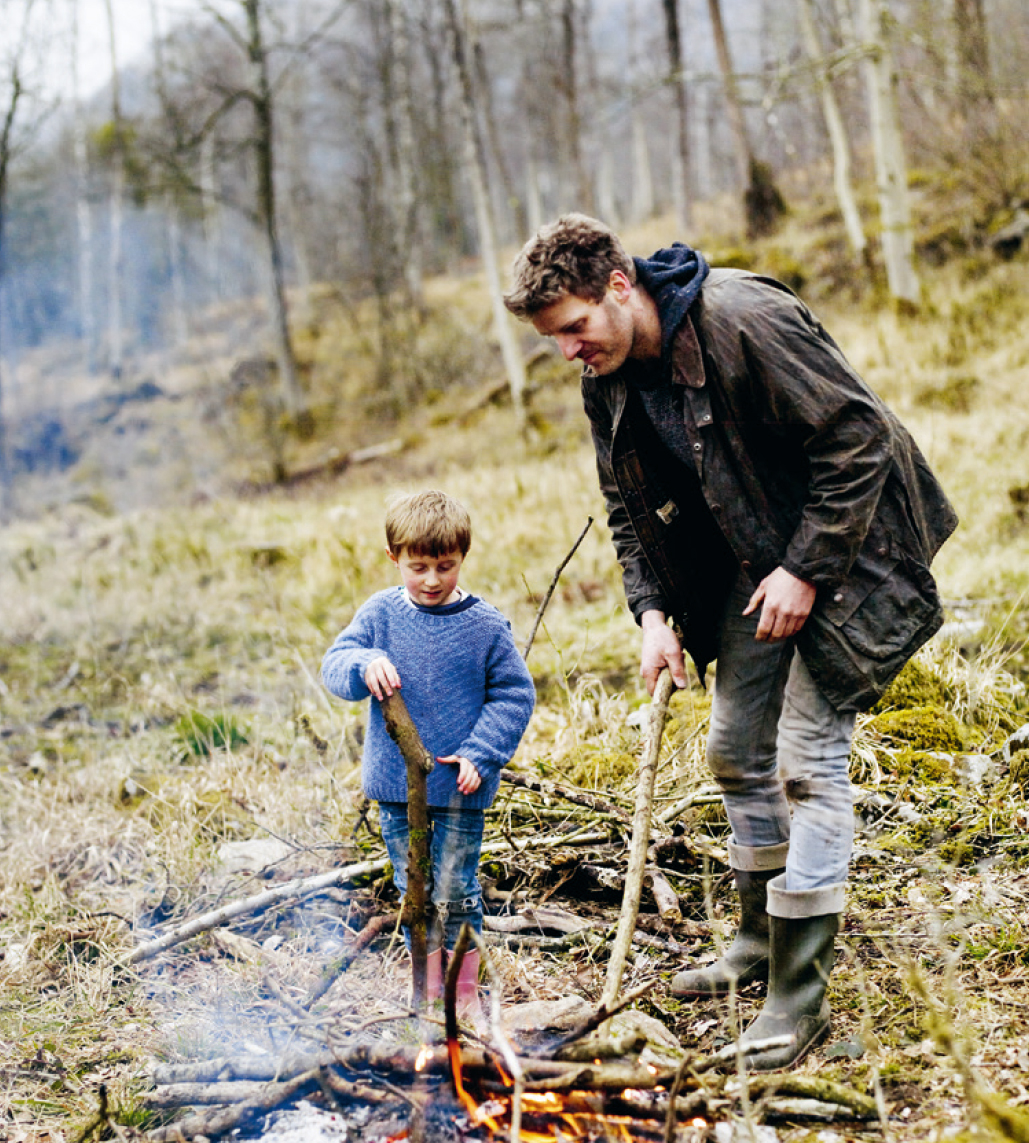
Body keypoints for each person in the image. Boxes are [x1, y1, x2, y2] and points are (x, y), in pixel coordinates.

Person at [504, 214, 956, 1069]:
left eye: (572, 328)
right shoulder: (604, 379)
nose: (567, 350)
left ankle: (798, 993)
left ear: (618, 285)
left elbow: (856, 436)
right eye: (550, 339)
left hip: (851, 549)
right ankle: (756, 938)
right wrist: (650, 613)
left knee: (804, 762)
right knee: (733, 752)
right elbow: (627, 511)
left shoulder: (741, 318)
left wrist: (807, 569)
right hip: (749, 566)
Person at [321, 490, 535, 1025]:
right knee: (412, 889)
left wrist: (481, 753)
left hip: (460, 789)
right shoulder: (379, 615)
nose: (433, 580)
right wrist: (364, 662)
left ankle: (464, 991)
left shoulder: (485, 626)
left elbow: (514, 694)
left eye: (446, 566)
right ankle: (426, 986)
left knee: (458, 889)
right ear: (394, 558)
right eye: (419, 567)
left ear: (463, 556)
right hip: (397, 789)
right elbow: (335, 664)